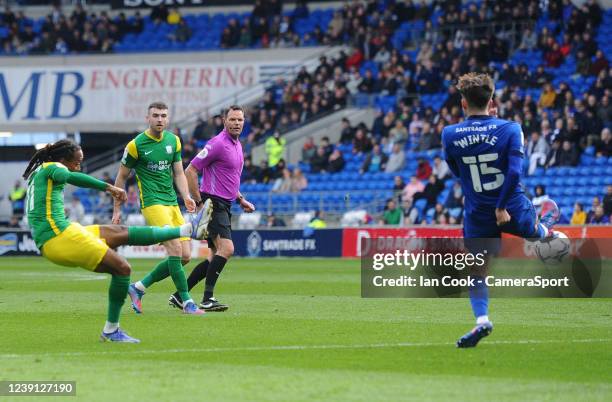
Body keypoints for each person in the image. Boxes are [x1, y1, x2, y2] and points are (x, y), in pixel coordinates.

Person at [22, 140, 208, 343]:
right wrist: (108, 187)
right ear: (63, 159)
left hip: (62, 231)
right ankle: (111, 330)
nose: (79, 166)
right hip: (59, 237)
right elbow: (71, 176)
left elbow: (69, 175)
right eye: (77, 162)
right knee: (122, 268)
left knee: (119, 232)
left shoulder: (41, 170)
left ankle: (187, 230)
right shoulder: (55, 167)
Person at [442, 73, 560, 348]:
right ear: (492, 101)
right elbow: (515, 172)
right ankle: (544, 226)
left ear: (462, 103)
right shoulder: (510, 128)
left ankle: (482, 319)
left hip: (477, 212)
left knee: (478, 272)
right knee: (538, 235)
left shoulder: (449, 133)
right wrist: (501, 206)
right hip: (510, 206)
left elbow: (457, 172)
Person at [112, 102, 204, 315]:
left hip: (172, 203)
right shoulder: (136, 145)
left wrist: (186, 196)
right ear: (148, 118)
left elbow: (179, 173)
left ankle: (138, 288)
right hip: (152, 204)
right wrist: (117, 209)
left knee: (185, 256)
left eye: (163, 115)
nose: (160, 119)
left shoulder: (174, 141)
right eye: (155, 115)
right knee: (175, 248)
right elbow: (121, 177)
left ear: (168, 118)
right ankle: (187, 302)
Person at [169, 105, 255, 312]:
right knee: (227, 249)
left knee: (214, 255)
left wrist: (241, 199)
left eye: (240, 120)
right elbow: (190, 171)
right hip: (213, 203)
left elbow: (229, 179)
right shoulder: (217, 144)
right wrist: (199, 202)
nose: (236, 123)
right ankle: (208, 298)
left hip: (226, 204)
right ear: (224, 121)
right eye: (233, 119)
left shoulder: (237, 145)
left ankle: (180, 295)